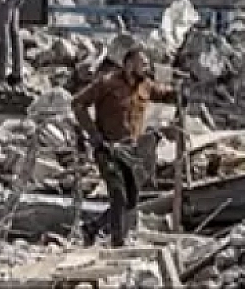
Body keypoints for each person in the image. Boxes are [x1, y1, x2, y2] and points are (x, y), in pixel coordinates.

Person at [71, 46, 176, 247]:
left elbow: (164, 94)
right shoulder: (107, 83)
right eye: (142, 63)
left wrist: (179, 93)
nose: (146, 68)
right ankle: (118, 243)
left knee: (130, 201)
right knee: (117, 194)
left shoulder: (145, 86)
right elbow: (77, 104)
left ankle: (93, 227)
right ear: (129, 65)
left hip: (131, 151)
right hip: (108, 148)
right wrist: (94, 135)